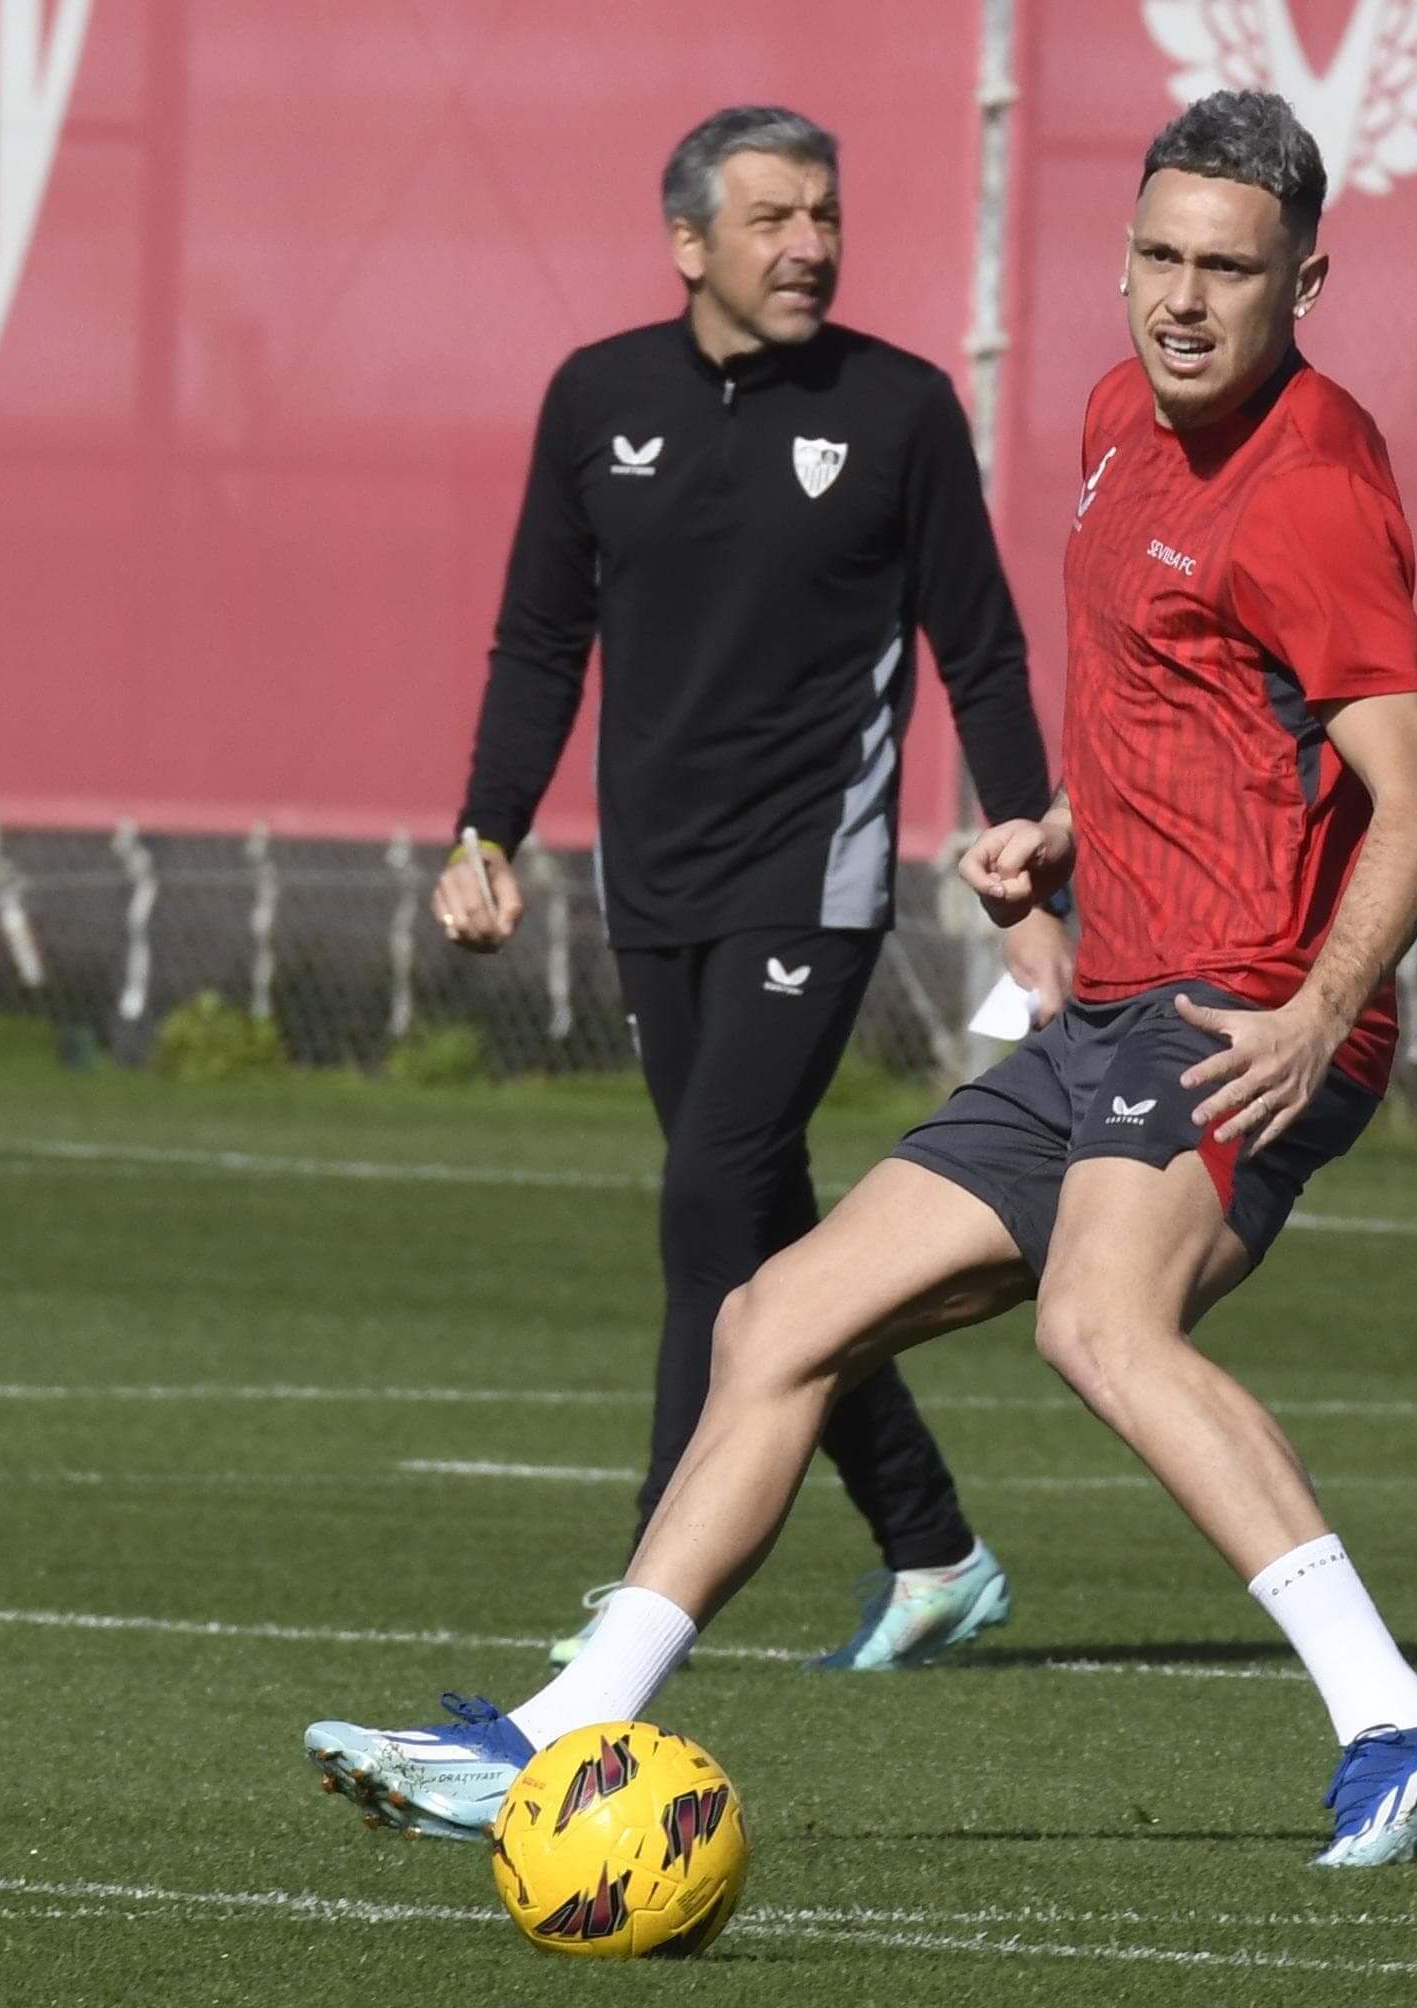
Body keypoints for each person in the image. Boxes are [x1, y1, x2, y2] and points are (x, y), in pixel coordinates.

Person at [310, 88, 1417, 1868]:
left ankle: (1398, 1717)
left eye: (1229, 272)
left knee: (1099, 1323)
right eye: (1159, 259)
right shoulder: (1120, 418)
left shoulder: (1312, 493)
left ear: (1307, 280)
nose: (1183, 301)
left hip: (1241, 1012)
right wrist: (1063, 833)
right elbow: (1189, 715)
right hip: (1112, 1000)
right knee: (771, 1320)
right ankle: (559, 1732)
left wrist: (1318, 1015)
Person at [430, 105, 1072, 1674]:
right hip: (653, 881)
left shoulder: (900, 408)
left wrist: (1029, 872)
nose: (809, 245)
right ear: (688, 243)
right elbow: (537, 641)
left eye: (825, 216)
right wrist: (484, 829)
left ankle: (657, 1567)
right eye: (774, 217)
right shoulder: (596, 399)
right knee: (764, 1220)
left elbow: (979, 650)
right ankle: (930, 1545)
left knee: (711, 1195)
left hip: (814, 876)